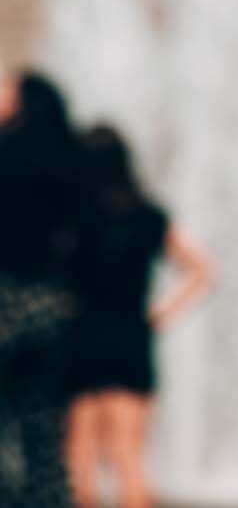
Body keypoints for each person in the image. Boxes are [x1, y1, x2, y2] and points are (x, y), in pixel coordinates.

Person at [64, 125, 214, 508]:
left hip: (80, 335)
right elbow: (202, 269)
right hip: (130, 335)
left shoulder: (73, 216)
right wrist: (161, 313)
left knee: (80, 454)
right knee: (129, 454)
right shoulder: (149, 215)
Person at [0, 71, 83, 508]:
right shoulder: (70, 159)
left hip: (6, 302)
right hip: (53, 306)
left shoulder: (4, 155)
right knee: (44, 430)